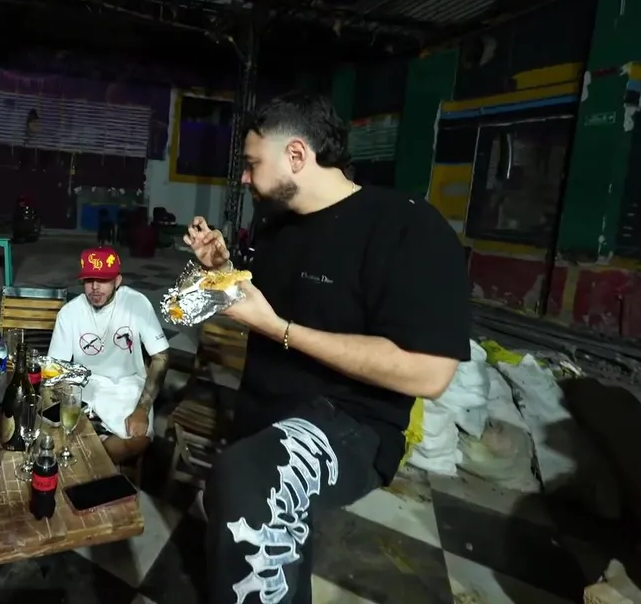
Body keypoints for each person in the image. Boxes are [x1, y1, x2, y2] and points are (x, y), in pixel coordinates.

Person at [185, 93, 470, 604]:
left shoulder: (405, 226)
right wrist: (220, 270)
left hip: (352, 420)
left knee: (249, 486)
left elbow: (430, 374)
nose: (245, 178)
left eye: (252, 164)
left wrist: (279, 329)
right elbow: (261, 303)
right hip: (265, 410)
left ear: (296, 155)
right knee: (243, 513)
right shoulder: (276, 225)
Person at [47, 247, 171, 464]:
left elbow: (161, 356)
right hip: (85, 386)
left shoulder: (137, 304)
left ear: (117, 280)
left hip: (128, 385)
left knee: (138, 438)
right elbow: (55, 368)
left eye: (103, 280)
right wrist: (64, 396)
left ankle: (90, 463)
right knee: (54, 430)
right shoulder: (69, 313)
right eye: (89, 280)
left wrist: (143, 408)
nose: (95, 287)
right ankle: (91, 461)